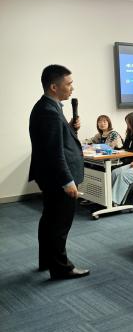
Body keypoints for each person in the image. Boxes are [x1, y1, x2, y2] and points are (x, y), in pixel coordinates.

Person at [29, 65, 88, 280]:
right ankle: (61, 268)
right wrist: (67, 181)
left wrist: (70, 128)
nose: (72, 88)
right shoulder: (49, 111)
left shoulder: (48, 106)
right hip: (57, 178)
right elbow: (54, 152)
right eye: (69, 84)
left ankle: (47, 260)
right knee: (59, 224)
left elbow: (56, 141)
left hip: (49, 176)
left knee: (50, 220)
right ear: (54, 87)